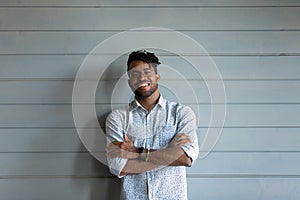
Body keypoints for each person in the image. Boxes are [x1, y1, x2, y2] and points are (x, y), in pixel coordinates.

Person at [106, 50, 199, 200]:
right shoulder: (117, 118)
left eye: (147, 72)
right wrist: (170, 152)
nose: (142, 77)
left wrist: (137, 152)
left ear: (157, 76)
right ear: (130, 81)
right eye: (135, 74)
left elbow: (186, 158)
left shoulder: (182, 114)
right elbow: (119, 167)